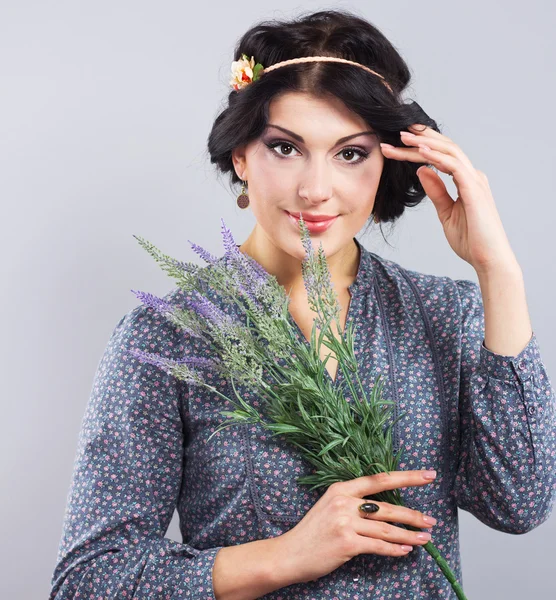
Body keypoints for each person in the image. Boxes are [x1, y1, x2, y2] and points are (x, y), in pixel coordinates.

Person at [49, 8, 556, 600]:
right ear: (241, 154)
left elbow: (521, 503)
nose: (316, 189)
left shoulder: (446, 314)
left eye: (350, 154)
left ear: (389, 163)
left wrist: (499, 272)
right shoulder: (168, 336)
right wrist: (287, 556)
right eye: (286, 148)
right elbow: (89, 580)